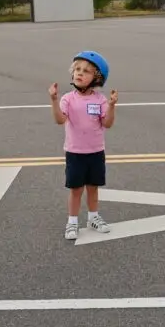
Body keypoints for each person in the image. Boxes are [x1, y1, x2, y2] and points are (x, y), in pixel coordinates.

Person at [49, 51, 118, 240]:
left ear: (96, 79)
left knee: (93, 187)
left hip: (96, 151)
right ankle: (72, 221)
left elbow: (107, 124)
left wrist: (111, 106)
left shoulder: (100, 100)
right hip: (75, 152)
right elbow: (59, 120)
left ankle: (93, 217)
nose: (80, 73)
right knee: (76, 189)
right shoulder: (68, 99)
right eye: (77, 69)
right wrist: (54, 100)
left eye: (86, 71)